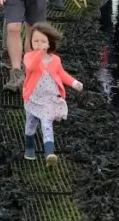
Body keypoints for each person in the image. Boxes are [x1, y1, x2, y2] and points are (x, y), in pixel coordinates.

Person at [22, 23, 83, 166]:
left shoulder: (55, 60)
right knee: (30, 125)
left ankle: (49, 154)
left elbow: (62, 74)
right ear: (30, 42)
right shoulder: (29, 57)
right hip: (32, 98)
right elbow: (31, 67)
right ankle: (29, 149)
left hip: (49, 98)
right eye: (36, 41)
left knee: (47, 124)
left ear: (49, 43)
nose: (39, 44)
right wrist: (38, 53)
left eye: (43, 41)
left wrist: (74, 83)